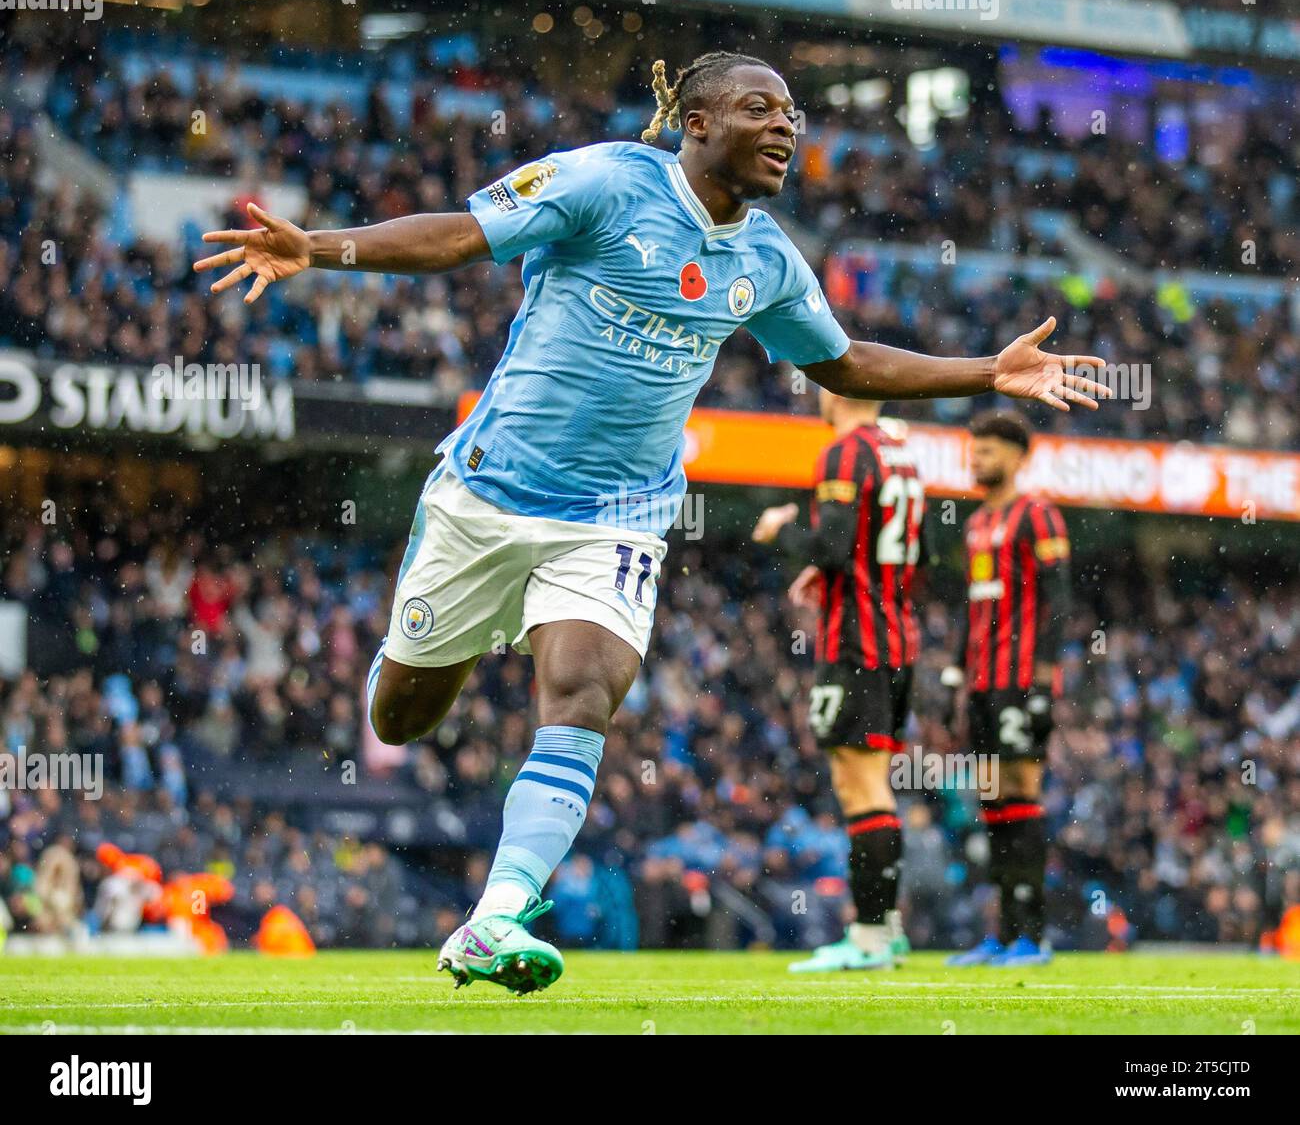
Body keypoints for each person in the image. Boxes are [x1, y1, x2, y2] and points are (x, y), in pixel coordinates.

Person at [194, 52, 1107, 993]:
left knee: (586, 691)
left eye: (793, 113)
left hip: (618, 514)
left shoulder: (765, 257)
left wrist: (985, 374)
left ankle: (496, 915)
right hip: (487, 493)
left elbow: (845, 364)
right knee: (405, 714)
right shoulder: (602, 181)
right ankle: (451, 642)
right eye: (761, 108)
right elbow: (460, 237)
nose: (787, 127)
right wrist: (322, 248)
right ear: (698, 123)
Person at [754, 393, 926, 970]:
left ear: (836, 389)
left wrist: (783, 529)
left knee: (860, 787)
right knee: (874, 782)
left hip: (858, 643)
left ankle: (871, 936)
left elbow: (831, 546)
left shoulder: (844, 453)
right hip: (896, 634)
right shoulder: (899, 452)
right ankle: (890, 929)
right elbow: (897, 550)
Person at [942, 411, 1071, 967]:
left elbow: (1058, 602)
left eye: (989, 451)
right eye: (975, 450)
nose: (977, 460)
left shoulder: (1038, 516)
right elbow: (972, 606)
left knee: (1022, 788)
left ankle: (1032, 935)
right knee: (991, 797)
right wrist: (954, 673)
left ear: (1019, 457)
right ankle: (1002, 932)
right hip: (982, 683)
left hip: (1020, 680)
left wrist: (1044, 681)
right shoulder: (974, 525)